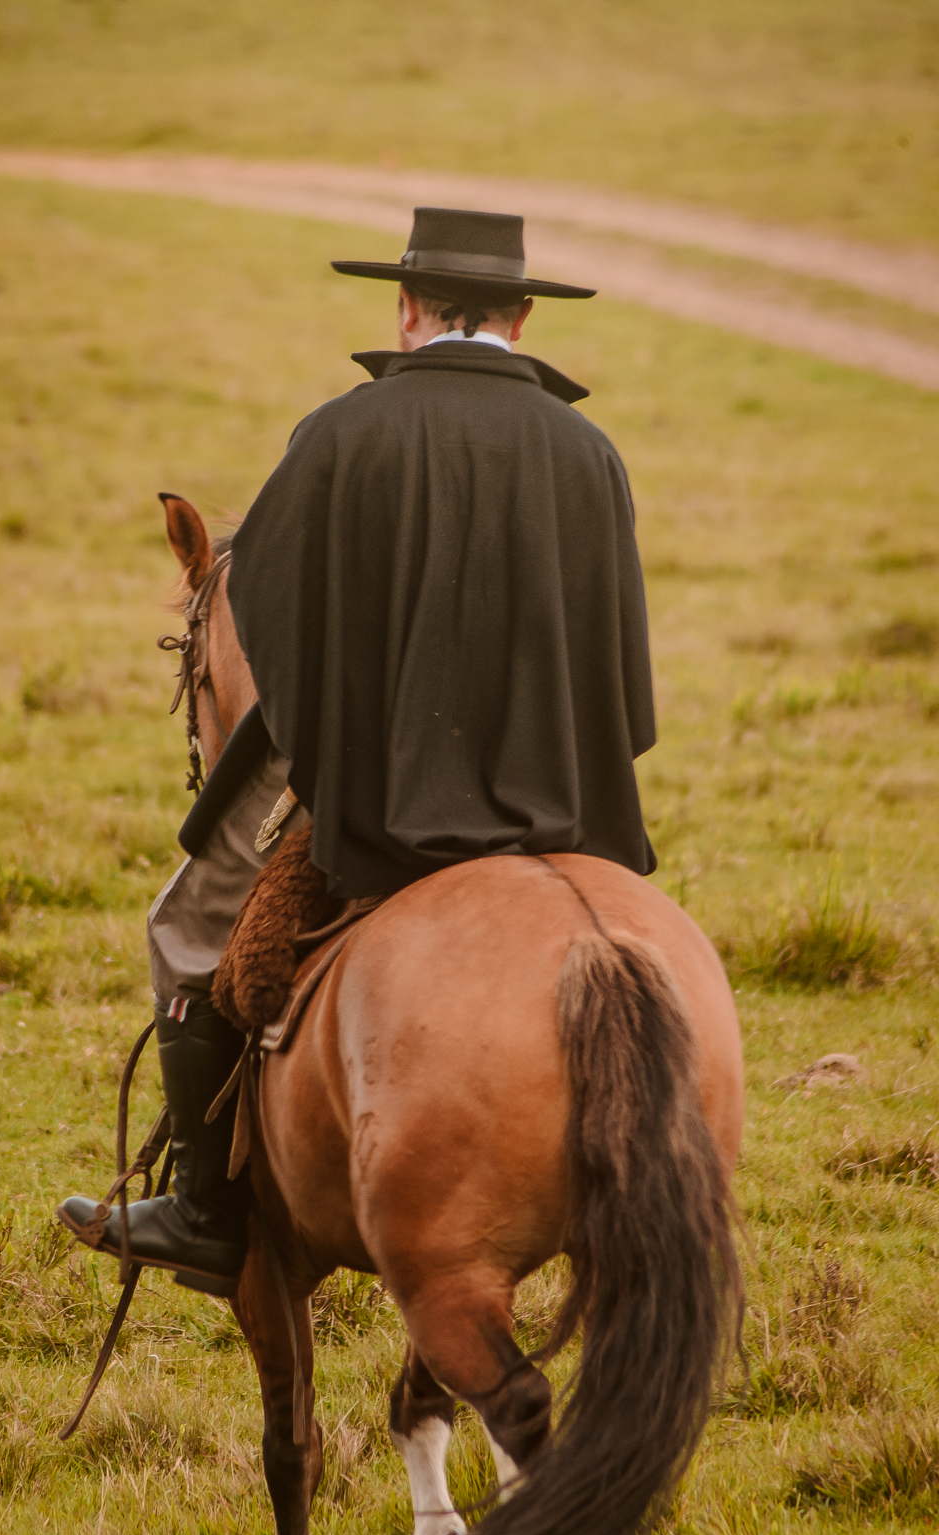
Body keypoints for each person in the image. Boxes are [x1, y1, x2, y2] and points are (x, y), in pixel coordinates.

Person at [58, 206, 657, 1296]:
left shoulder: (339, 435)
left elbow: (266, 628)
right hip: (564, 814)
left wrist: (348, 754)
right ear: (522, 317)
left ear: (407, 308)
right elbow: (625, 676)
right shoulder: (591, 454)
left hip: (382, 815)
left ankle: (203, 1211)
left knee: (186, 929)